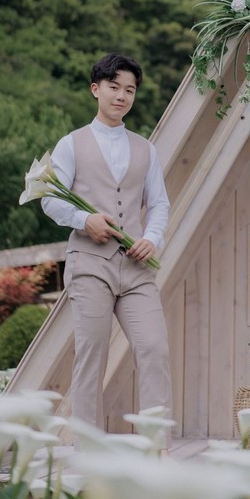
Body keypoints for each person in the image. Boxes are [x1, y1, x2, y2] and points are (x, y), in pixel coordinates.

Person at [42, 52, 172, 439]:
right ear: (95, 89)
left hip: (135, 269)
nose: (121, 95)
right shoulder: (71, 144)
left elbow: (159, 203)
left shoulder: (146, 149)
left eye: (129, 89)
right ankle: (87, 447)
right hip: (89, 265)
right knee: (91, 355)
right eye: (114, 87)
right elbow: (51, 199)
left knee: (155, 349)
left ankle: (156, 443)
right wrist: (85, 220)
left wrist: (151, 238)